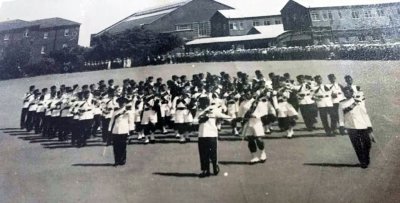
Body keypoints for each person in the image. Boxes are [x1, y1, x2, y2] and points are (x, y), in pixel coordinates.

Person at [339, 86, 373, 169]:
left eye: (348, 92)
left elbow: (365, 114)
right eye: (345, 93)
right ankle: (363, 162)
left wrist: (369, 126)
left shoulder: (358, 101)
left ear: (351, 93)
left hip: (362, 125)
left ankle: (366, 157)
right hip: (351, 127)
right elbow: (340, 115)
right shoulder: (341, 103)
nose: (346, 94)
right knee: (357, 145)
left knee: (367, 143)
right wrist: (341, 125)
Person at [197, 97, 232, 178]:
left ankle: (215, 166)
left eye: (201, 103)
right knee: (203, 153)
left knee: (213, 153)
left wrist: (233, 119)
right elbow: (194, 120)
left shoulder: (213, 110)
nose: (199, 104)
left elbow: (223, 116)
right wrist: (201, 120)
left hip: (212, 134)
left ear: (206, 103)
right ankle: (205, 170)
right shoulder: (199, 111)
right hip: (202, 135)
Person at [238, 91, 267, 164]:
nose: (247, 95)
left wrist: (255, 116)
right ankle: (254, 157)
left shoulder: (257, 102)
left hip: (256, 122)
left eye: (248, 93)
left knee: (259, 139)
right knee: (250, 140)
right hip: (247, 123)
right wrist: (240, 122)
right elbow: (240, 114)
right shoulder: (242, 103)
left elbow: (264, 112)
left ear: (251, 94)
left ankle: (262, 153)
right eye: (246, 93)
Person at [109, 97, 133, 166]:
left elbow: (130, 121)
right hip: (115, 130)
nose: (121, 104)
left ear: (125, 103)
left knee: (122, 146)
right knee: (116, 147)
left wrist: (130, 130)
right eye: (120, 103)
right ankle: (116, 161)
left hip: (124, 130)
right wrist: (109, 130)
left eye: (123, 103)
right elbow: (111, 121)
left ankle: (122, 160)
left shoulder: (128, 111)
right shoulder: (115, 111)